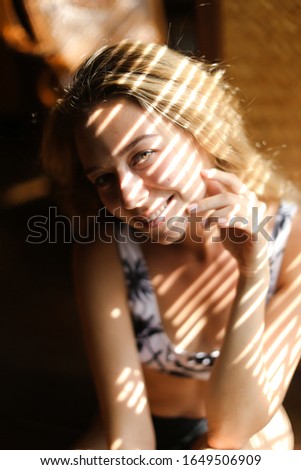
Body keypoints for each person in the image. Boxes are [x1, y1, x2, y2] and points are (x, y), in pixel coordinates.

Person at [41, 40, 301, 450]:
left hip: (250, 431)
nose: (130, 196)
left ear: (203, 129)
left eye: (142, 154)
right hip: (142, 424)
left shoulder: (291, 239)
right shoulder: (108, 249)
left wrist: (253, 274)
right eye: (104, 177)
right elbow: (128, 432)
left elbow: (232, 432)